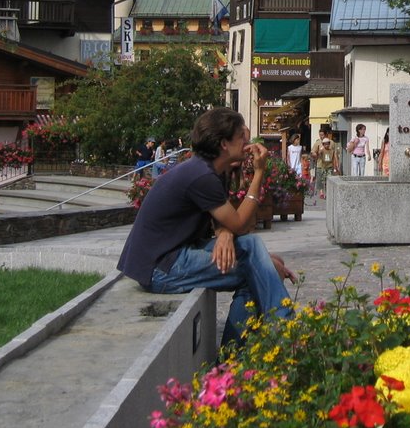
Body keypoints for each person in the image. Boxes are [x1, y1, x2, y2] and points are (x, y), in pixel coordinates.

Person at [117, 107, 296, 348]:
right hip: (161, 268)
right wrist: (259, 173)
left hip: (173, 257)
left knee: (264, 263)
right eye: (241, 136)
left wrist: (224, 234)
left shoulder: (209, 170)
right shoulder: (201, 176)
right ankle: (286, 330)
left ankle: (235, 356)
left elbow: (224, 221)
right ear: (224, 144)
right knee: (259, 262)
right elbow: (241, 224)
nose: (247, 142)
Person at [313, 128, 340, 198]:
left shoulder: (332, 143)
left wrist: (336, 165)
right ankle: (321, 192)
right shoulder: (317, 143)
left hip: (329, 164)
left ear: (326, 134)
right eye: (320, 135)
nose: (321, 136)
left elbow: (335, 154)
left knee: (329, 179)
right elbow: (313, 151)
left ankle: (328, 192)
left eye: (322, 135)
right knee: (320, 179)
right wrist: (315, 154)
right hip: (320, 164)